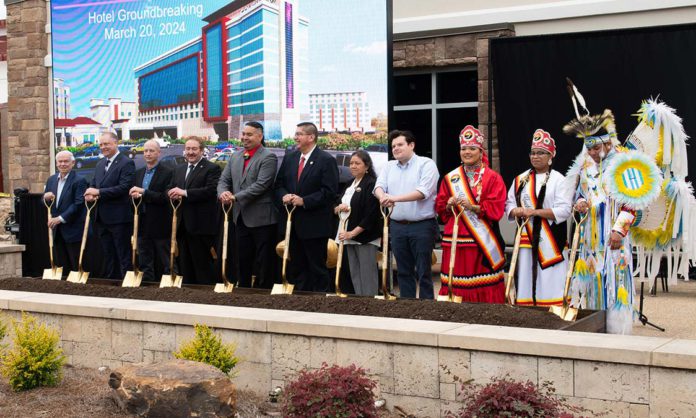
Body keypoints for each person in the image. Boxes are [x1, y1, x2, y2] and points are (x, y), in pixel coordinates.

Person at [564, 109, 638, 334]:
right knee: (595, 282)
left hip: (615, 239)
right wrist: (580, 203)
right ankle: (596, 330)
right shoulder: (586, 170)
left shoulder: (624, 167)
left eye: (596, 148)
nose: (593, 153)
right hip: (592, 240)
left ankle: (618, 332)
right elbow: (579, 195)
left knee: (617, 284)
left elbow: (633, 203)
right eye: (589, 149)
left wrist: (619, 231)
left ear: (607, 144)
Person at [435, 126, 507, 302]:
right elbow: (440, 208)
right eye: (463, 148)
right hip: (455, 240)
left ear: (480, 151)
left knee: (481, 284)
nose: (467, 152)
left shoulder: (492, 178)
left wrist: (473, 206)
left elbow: (497, 208)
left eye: (472, 148)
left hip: (481, 243)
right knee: (455, 281)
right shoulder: (450, 178)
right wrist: (448, 204)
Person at [505, 129, 572, 306]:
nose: (535, 157)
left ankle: (553, 310)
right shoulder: (521, 179)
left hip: (551, 241)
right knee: (526, 277)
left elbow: (565, 210)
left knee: (551, 278)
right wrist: (516, 211)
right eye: (533, 153)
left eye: (541, 153)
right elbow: (509, 205)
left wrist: (535, 212)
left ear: (550, 156)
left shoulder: (559, 180)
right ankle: (527, 312)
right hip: (525, 239)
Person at [374, 130, 439, 299]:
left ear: (411, 145)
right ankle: (407, 307)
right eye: (393, 146)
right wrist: (383, 197)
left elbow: (423, 192)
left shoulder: (426, 164)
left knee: (424, 271)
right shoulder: (388, 166)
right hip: (397, 226)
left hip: (422, 226)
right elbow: (378, 186)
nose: (395, 148)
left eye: (400, 144)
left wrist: (394, 198)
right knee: (403, 271)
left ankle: (426, 308)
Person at [274, 122, 339, 292]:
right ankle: (300, 303)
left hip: (315, 226)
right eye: (295, 134)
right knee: (297, 267)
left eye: (299, 134)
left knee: (317, 268)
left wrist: (305, 201)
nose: (295, 137)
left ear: (311, 137)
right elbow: (279, 184)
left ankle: (320, 306)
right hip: (292, 225)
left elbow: (330, 192)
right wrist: (284, 195)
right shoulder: (290, 158)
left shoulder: (326, 160)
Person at [218, 121, 278, 289]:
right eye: (243, 134)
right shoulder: (235, 156)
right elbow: (224, 180)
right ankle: (242, 291)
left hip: (262, 219)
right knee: (242, 258)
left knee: (264, 261)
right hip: (240, 218)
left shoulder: (268, 156)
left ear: (260, 136)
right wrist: (223, 192)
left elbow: (261, 185)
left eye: (249, 134)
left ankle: (264, 294)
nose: (244, 137)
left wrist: (234, 197)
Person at [168, 136, 222, 285]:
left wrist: (184, 193)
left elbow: (210, 191)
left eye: (194, 149)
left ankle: (205, 297)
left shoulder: (212, 168)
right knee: (185, 265)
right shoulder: (178, 169)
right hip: (182, 226)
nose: (190, 152)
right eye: (188, 149)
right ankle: (187, 294)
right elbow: (171, 187)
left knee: (202, 265)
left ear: (202, 151)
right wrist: (171, 193)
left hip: (201, 226)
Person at [84, 132, 135, 280]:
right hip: (101, 218)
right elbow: (94, 184)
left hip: (119, 219)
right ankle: (111, 283)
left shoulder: (126, 162)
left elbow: (124, 187)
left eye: (106, 144)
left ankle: (126, 283)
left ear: (115, 143)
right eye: (101, 144)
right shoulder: (100, 164)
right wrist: (90, 194)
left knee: (122, 253)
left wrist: (98, 192)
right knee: (108, 254)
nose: (103, 147)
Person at [334, 150, 381, 296]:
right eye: (351, 163)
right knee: (354, 272)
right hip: (347, 236)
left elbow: (371, 215)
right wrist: (338, 208)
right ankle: (360, 303)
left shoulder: (371, 184)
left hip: (365, 237)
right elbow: (337, 205)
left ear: (366, 166)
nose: (353, 166)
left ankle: (370, 305)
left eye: (357, 163)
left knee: (367, 274)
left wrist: (353, 233)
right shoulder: (349, 184)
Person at [129, 140, 174, 281]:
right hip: (142, 221)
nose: (148, 154)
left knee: (166, 258)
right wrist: (136, 196)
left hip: (160, 222)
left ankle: (170, 285)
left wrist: (143, 192)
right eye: (145, 151)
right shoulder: (138, 173)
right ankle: (147, 285)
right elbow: (133, 195)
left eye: (151, 151)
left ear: (159, 153)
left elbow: (164, 197)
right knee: (144, 258)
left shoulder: (168, 172)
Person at [43, 150, 88, 275]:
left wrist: (60, 218)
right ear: (56, 163)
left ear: (73, 163)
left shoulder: (80, 180)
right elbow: (46, 202)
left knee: (75, 264)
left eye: (66, 161)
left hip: (73, 229)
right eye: (60, 161)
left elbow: (78, 204)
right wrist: (45, 198)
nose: (63, 164)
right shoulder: (51, 180)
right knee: (61, 264)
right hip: (56, 230)